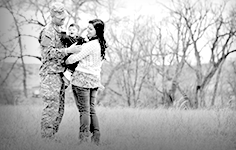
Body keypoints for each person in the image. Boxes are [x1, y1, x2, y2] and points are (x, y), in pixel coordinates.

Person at [38, 2, 80, 141]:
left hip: (61, 74)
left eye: (64, 18)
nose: (63, 21)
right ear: (53, 16)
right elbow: (47, 53)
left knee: (60, 108)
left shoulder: (61, 29)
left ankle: (53, 136)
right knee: (51, 106)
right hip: (50, 74)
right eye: (61, 19)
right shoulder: (48, 31)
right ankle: (46, 138)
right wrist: (68, 50)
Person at [65, 19, 107, 145]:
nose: (87, 31)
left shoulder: (90, 45)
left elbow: (72, 59)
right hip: (94, 81)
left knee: (84, 110)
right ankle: (96, 137)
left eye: (90, 29)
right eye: (87, 28)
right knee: (91, 109)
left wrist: (67, 58)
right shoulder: (101, 44)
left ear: (96, 32)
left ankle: (83, 139)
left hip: (82, 80)